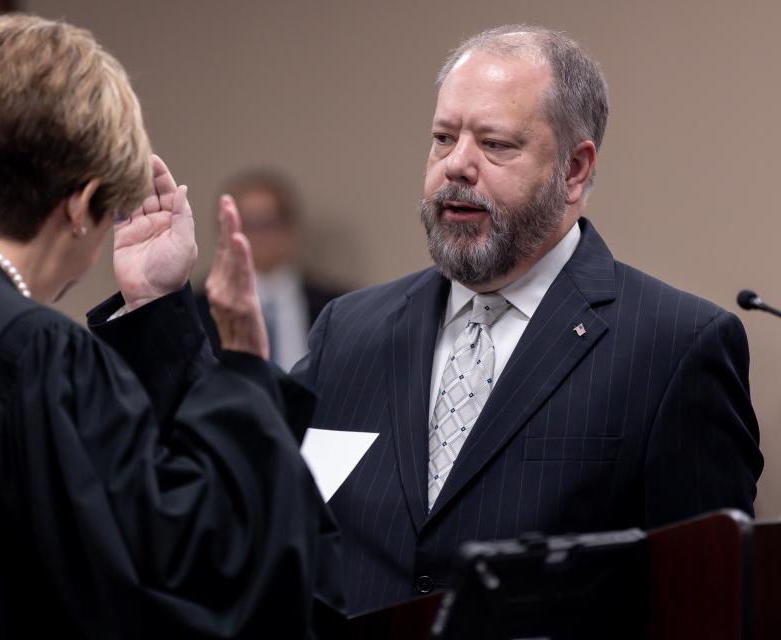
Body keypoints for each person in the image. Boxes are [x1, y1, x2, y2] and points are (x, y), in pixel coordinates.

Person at [207, 25, 764, 613]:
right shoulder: (350, 330)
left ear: (574, 170)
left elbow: (711, 600)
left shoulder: (674, 345)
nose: (457, 166)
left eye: (495, 144)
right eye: (444, 138)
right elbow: (252, 517)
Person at [0, 14, 327, 639]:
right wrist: (245, 370)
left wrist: (152, 308)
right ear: (82, 205)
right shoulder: (36, 355)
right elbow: (187, 572)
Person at [197, 171, 344, 371]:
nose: (259, 237)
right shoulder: (198, 311)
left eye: (268, 223)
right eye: (246, 225)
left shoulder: (337, 306)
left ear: (290, 229)